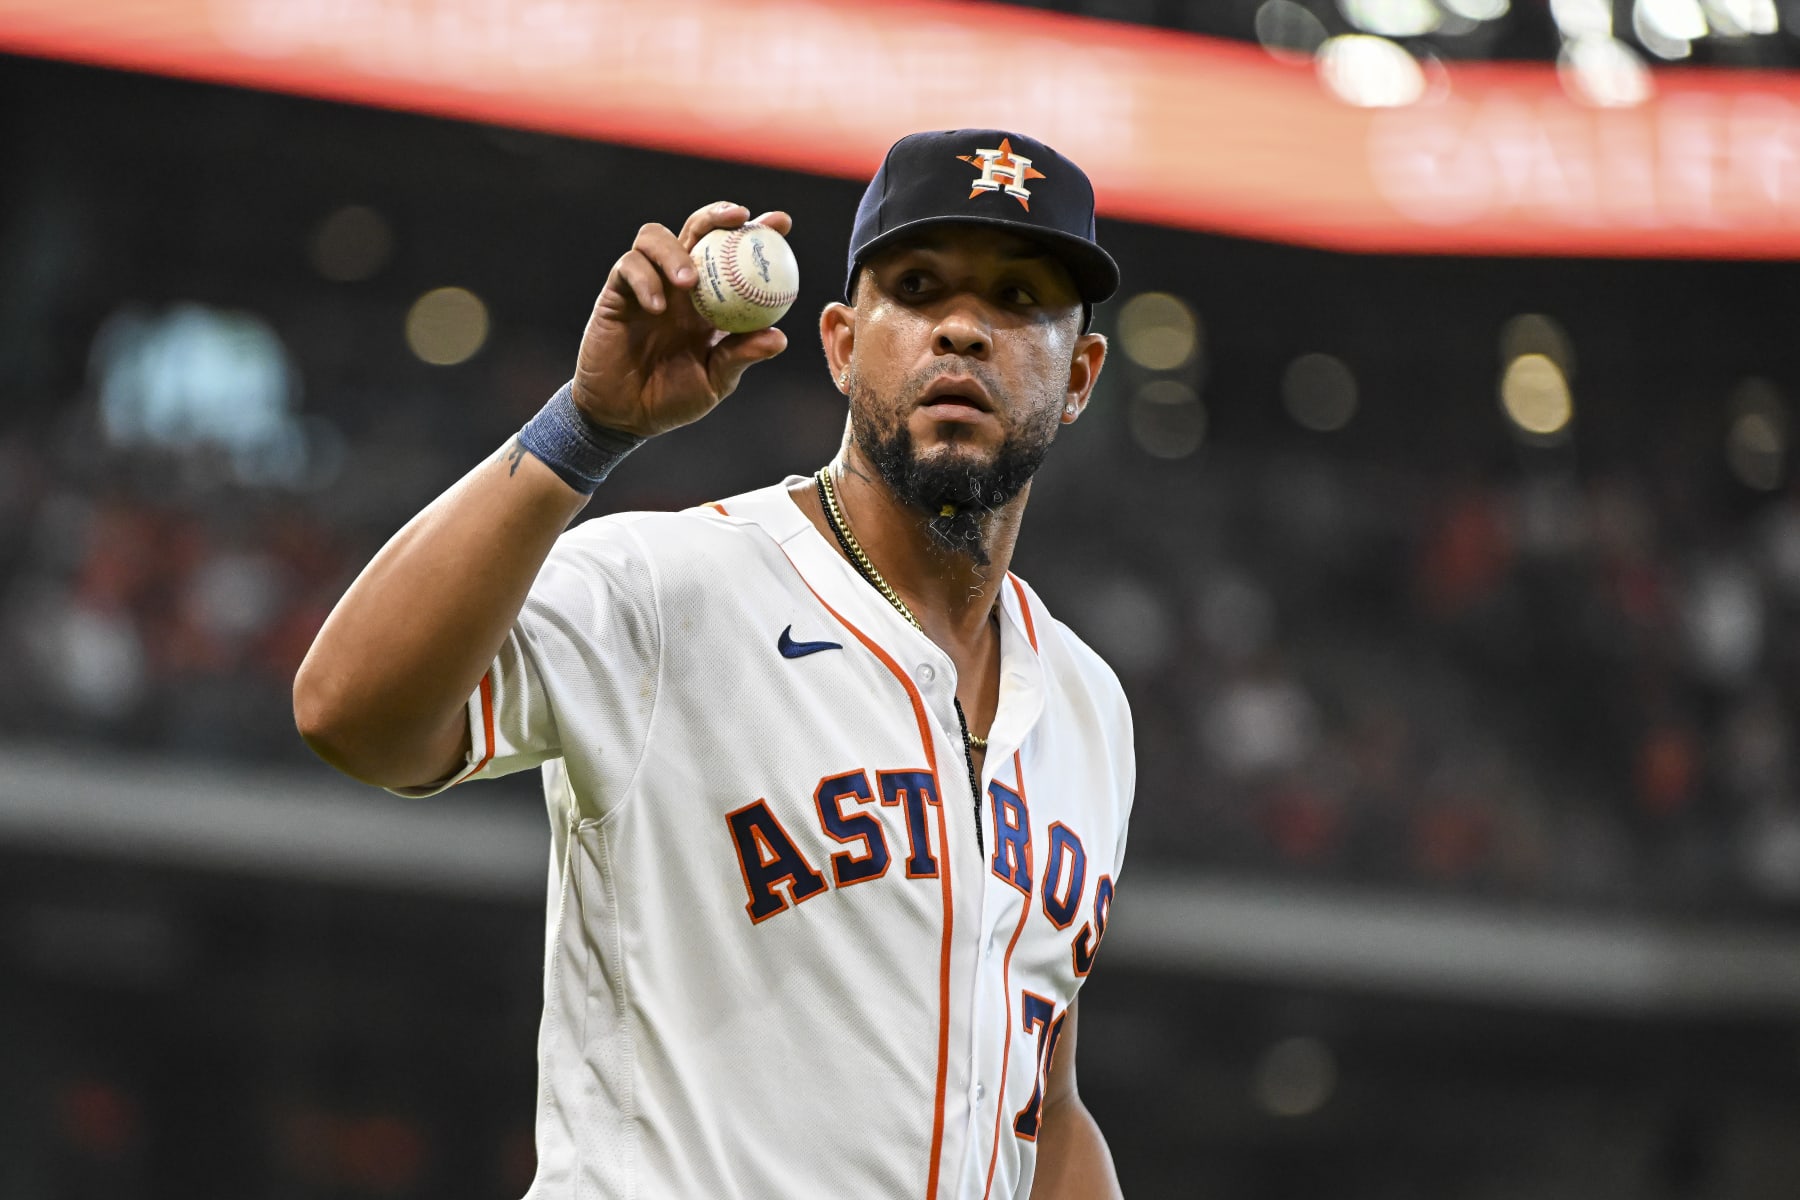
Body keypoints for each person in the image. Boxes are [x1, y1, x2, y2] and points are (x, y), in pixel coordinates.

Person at [294, 129, 1133, 1200]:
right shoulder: (671, 586)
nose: (963, 327)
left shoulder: (1086, 705)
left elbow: (1043, 1109)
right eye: (918, 288)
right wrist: (584, 431)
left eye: (1020, 300)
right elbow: (348, 714)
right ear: (839, 343)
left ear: (1080, 377)